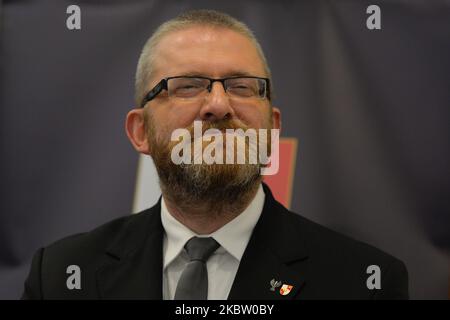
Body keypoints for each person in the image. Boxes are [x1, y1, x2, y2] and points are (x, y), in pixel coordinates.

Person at [22, 9, 408, 300]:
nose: (219, 105)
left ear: (273, 128)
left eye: (242, 86)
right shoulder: (60, 277)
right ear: (140, 131)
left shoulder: (363, 282)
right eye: (188, 86)